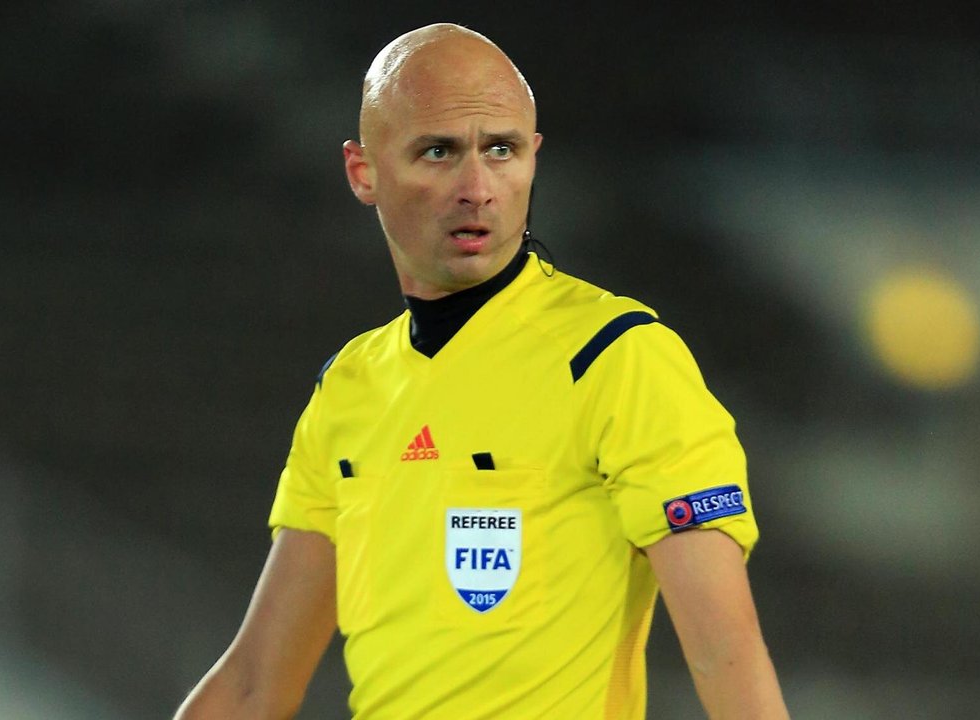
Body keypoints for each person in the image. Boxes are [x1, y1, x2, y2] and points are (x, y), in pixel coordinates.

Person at [175, 22, 789, 720]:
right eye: (438, 152)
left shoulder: (614, 356)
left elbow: (726, 656)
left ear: (533, 158)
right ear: (363, 172)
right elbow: (255, 683)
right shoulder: (348, 386)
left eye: (501, 150)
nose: (477, 188)